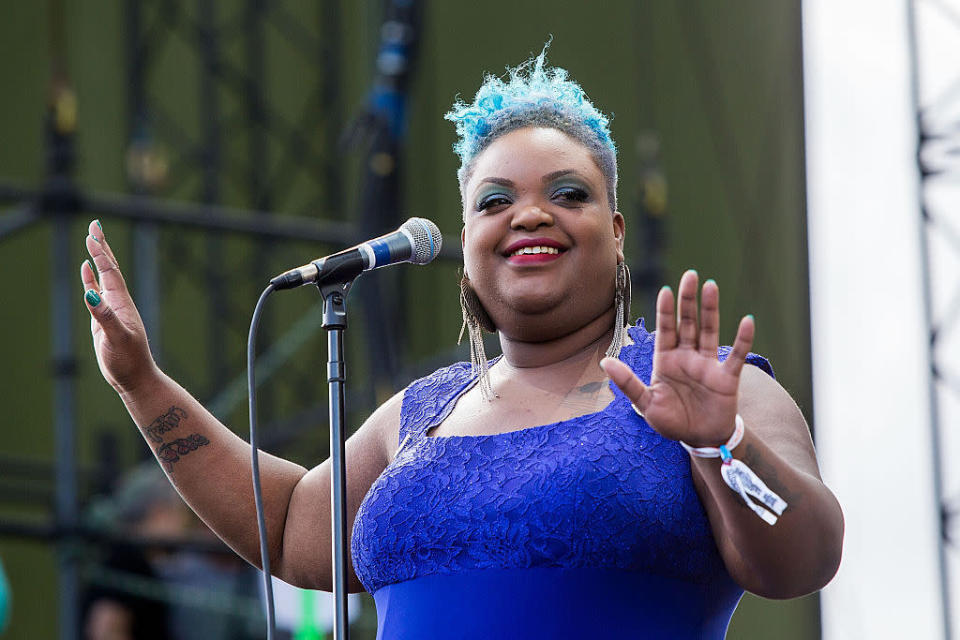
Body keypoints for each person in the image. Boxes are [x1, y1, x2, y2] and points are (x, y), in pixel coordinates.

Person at [79, 49, 843, 639]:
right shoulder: (420, 414)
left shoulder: (704, 387)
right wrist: (141, 382)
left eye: (568, 193)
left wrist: (723, 447)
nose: (529, 214)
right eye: (495, 201)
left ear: (616, 233)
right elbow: (281, 527)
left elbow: (804, 560)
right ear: (469, 242)